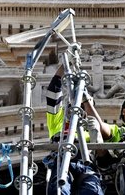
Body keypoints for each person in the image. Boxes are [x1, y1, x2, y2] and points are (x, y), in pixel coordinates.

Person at [45, 65, 105, 195]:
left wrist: (96, 135)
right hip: (62, 161)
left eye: (83, 104)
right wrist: (66, 66)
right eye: (73, 103)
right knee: (59, 191)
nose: (77, 108)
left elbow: (103, 156)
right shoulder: (57, 121)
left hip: (87, 166)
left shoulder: (91, 127)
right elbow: (53, 92)